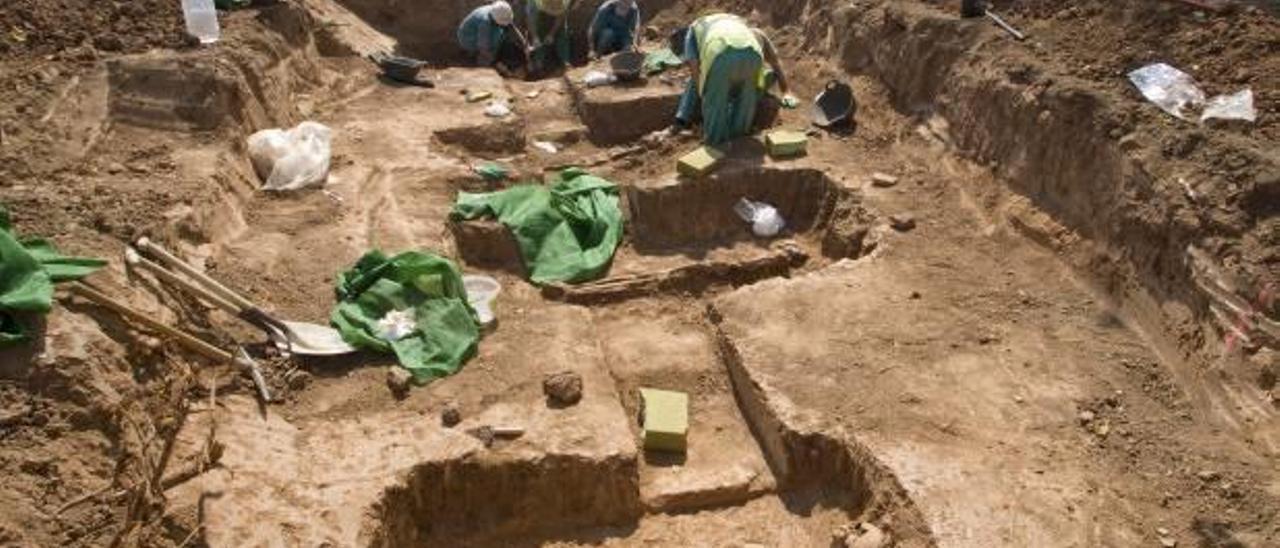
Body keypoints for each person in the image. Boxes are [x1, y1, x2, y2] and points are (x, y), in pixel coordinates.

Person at [671, 13, 798, 145]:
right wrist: (786, 91)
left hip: (726, 59)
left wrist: (704, 95)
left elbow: (694, 69)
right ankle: (738, 140)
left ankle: (713, 142)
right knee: (745, 103)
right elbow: (775, 63)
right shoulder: (739, 27)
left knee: (713, 100)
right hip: (753, 62)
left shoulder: (693, 33)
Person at [457, 1, 528, 71]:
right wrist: (496, 63)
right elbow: (484, 48)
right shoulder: (485, 22)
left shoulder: (499, 12)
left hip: (479, 32)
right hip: (468, 38)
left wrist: (524, 44)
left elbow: (512, 26)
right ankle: (481, 64)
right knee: (495, 41)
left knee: (501, 36)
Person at [527, 0, 574, 74]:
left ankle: (565, 61)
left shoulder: (563, 3)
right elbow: (530, 21)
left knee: (562, 34)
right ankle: (538, 63)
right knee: (541, 33)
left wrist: (551, 34)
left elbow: (560, 18)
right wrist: (535, 37)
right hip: (541, 16)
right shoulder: (533, 4)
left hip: (556, 14)